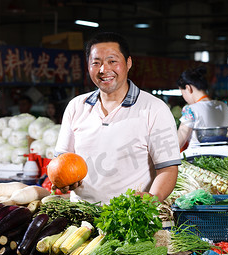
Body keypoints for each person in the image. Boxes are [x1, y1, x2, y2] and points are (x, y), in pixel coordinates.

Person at [54, 32, 181, 204]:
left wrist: (153, 197)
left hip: (130, 218)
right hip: (82, 216)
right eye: (96, 63)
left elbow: (167, 168)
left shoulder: (154, 109)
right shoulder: (77, 106)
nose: (103, 70)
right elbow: (61, 161)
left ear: (128, 63)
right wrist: (63, 182)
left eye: (112, 61)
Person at [176, 66, 228, 149]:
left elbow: (178, 143)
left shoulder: (190, 109)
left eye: (182, 93)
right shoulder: (223, 106)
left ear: (188, 88)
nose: (183, 97)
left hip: (196, 158)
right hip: (221, 156)